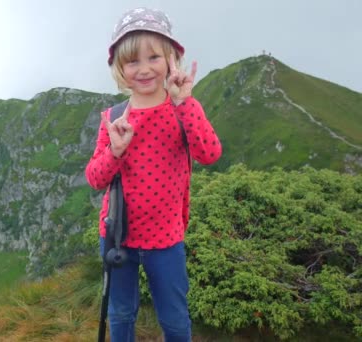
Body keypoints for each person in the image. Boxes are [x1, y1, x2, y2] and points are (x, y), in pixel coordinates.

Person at [85, 7, 222, 342]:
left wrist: (185, 103)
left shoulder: (183, 109)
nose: (144, 69)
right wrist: (114, 151)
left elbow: (209, 153)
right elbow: (95, 178)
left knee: (175, 319)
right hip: (118, 236)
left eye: (153, 57)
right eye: (132, 61)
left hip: (166, 239)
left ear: (171, 59)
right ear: (120, 67)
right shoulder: (113, 117)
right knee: (120, 315)